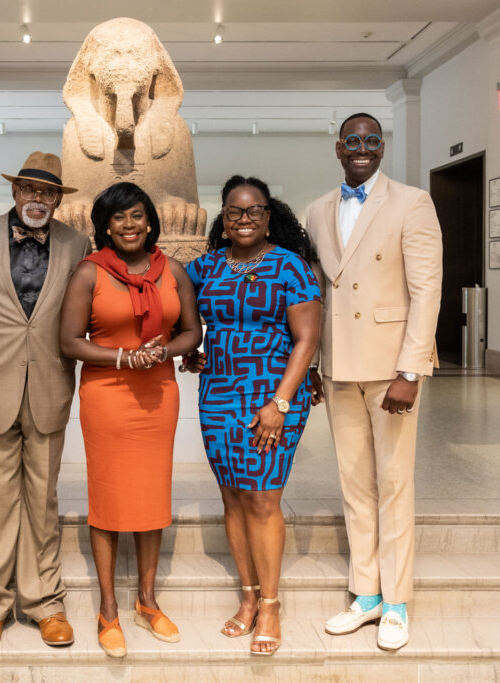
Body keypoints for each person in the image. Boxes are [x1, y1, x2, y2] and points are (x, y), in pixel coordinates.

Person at [301, 112, 442, 651]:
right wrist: (314, 364)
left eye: (372, 141)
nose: (362, 148)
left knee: (394, 484)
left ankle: (398, 601)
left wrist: (411, 370)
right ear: (338, 147)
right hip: (338, 368)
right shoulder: (317, 211)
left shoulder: (412, 203)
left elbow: (426, 291)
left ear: (382, 148)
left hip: (391, 370)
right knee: (355, 485)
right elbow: (317, 293)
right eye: (352, 141)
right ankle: (366, 594)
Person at [0, 151, 91, 651]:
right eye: (30, 189)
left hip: (50, 387)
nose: (38, 199)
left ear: (58, 199)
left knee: (43, 500)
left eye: (48, 192)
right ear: (14, 192)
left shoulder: (78, 243)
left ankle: (44, 604)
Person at [59, 182, 203, 658]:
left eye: (136, 215)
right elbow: (69, 341)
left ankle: (146, 601)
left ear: (149, 221)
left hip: (158, 393)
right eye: (118, 217)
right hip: (108, 395)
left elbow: (191, 331)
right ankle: (107, 610)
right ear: (104, 225)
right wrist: (123, 359)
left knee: (151, 493)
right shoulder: (89, 273)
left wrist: (162, 350)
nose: (128, 225)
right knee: (108, 496)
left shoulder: (173, 271)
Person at [183, 176, 321, 656]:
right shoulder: (206, 267)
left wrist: (280, 404)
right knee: (233, 499)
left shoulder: (291, 267)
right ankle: (246, 597)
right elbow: (183, 320)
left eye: (254, 211)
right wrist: (191, 351)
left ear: (268, 215)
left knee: (262, 499)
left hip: (273, 397)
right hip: (218, 394)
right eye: (235, 211)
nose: (244, 219)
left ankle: (271, 604)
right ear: (223, 216)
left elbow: (307, 338)